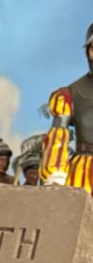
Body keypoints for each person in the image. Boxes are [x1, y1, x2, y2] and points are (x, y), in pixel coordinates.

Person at [40, 22, 93, 194]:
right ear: (90, 52)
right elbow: (57, 137)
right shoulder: (70, 95)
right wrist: (55, 173)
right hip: (84, 175)